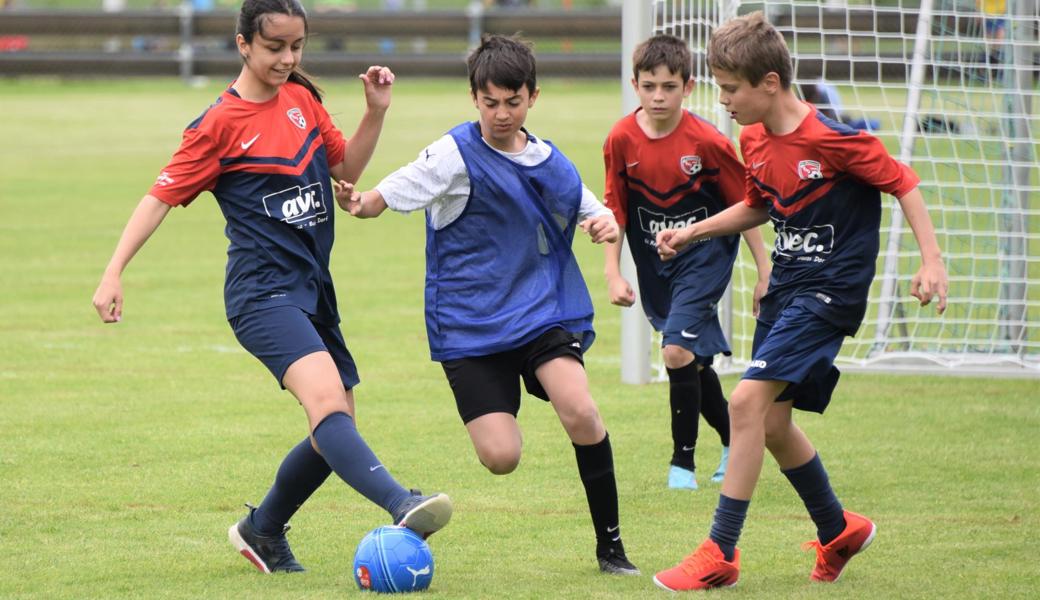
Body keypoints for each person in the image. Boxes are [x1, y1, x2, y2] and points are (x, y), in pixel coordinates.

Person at [91, 0, 452, 575]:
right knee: (329, 407)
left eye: (297, 47)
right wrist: (113, 272)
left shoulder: (302, 101)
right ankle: (401, 502)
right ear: (243, 45)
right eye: (275, 47)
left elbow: (345, 169)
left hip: (313, 289)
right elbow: (158, 198)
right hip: (262, 295)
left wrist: (375, 112)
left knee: (335, 430)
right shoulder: (217, 125)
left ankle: (262, 530)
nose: (288, 58)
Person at [651, 12, 948, 591]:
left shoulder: (837, 142)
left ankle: (720, 551)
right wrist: (693, 231)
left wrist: (931, 260)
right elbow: (761, 205)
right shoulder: (754, 139)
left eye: (730, 88)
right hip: (786, 290)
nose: (724, 100)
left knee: (744, 406)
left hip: (829, 294)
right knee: (775, 421)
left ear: (769, 83)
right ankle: (839, 530)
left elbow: (903, 181)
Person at [340, 34, 640, 576]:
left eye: (513, 101)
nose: (502, 113)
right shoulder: (454, 154)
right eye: (490, 102)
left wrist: (603, 225)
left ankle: (611, 548)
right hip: (470, 327)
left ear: (533, 97)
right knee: (502, 457)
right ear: (474, 98)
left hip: (543, 314)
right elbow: (396, 188)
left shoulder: (552, 163)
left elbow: (596, 213)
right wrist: (360, 202)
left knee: (581, 409)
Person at [602, 34, 770, 492]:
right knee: (691, 363)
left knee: (675, 350)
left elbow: (747, 207)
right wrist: (613, 271)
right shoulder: (620, 138)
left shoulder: (708, 142)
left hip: (706, 254)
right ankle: (734, 440)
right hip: (655, 263)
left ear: (688, 86)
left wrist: (764, 271)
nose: (659, 96)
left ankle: (682, 464)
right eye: (650, 85)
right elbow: (615, 210)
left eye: (669, 87)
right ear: (634, 84)